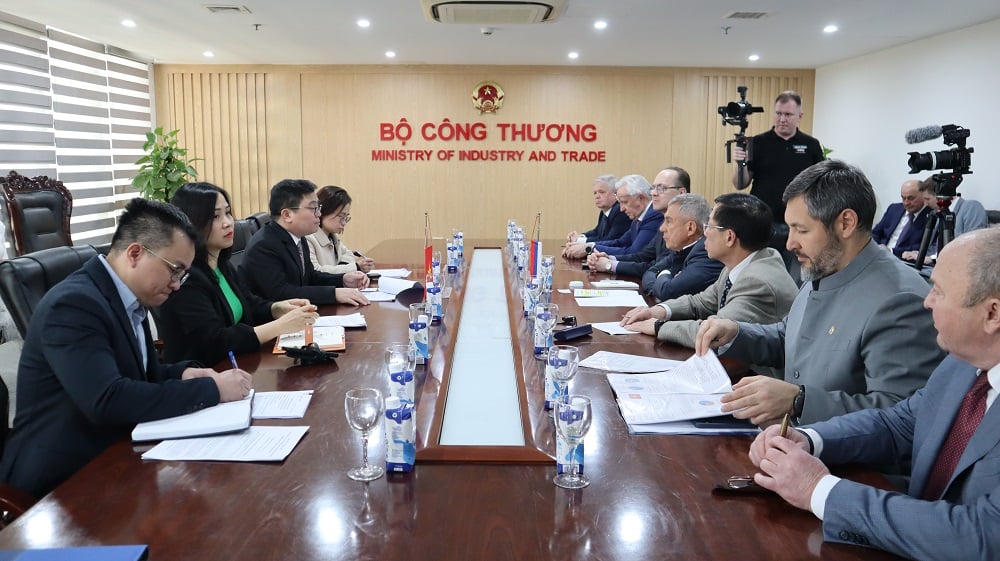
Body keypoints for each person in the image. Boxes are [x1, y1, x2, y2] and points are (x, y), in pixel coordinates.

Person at [747, 227, 1000, 559]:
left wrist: (818, 489)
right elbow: (899, 424)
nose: (927, 301)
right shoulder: (962, 363)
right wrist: (809, 439)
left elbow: (981, 535)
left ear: (992, 314)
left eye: (938, 291)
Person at [0, 198, 253, 498]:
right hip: (61, 480)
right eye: (175, 270)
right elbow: (108, 398)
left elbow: (138, 373)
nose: (177, 284)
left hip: (114, 454)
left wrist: (183, 373)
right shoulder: (73, 304)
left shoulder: (127, 297)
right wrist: (214, 390)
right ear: (135, 253)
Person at [696, 160, 943, 426]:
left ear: (845, 223)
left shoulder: (899, 300)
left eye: (801, 230)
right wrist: (737, 332)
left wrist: (800, 401)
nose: (790, 243)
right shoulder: (825, 265)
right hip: (794, 443)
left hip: (845, 462)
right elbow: (790, 337)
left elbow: (900, 415)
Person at [157, 182, 319, 366]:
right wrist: (279, 326)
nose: (228, 223)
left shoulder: (223, 266)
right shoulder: (185, 279)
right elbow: (215, 341)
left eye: (228, 213)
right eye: (215, 216)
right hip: (205, 375)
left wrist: (276, 308)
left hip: (238, 365)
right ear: (191, 223)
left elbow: (248, 303)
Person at [621, 193, 797, 352]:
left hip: (755, 376)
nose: (704, 233)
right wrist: (657, 311)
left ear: (729, 237)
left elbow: (713, 332)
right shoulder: (740, 262)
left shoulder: (757, 281)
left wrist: (657, 326)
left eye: (709, 226)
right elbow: (701, 302)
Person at [240, 179, 370, 306]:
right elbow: (280, 293)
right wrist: (333, 294)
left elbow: (310, 276)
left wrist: (343, 280)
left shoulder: (298, 237)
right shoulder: (264, 245)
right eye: (313, 208)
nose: (319, 214)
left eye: (318, 207)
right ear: (287, 215)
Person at [732, 90, 824, 228]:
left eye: (788, 114)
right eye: (778, 113)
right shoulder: (757, 142)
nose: (782, 119)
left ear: (800, 116)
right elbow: (740, 184)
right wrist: (740, 164)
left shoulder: (811, 145)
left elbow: (821, 183)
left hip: (798, 221)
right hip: (762, 219)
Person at [586, 167, 689, 277]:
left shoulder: (663, 218)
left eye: (661, 188)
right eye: (653, 188)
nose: (653, 193)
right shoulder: (660, 219)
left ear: (681, 193)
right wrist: (609, 258)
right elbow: (642, 255)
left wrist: (609, 265)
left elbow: (656, 266)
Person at [640, 194, 722, 302]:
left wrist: (664, 273)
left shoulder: (705, 252)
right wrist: (660, 285)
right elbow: (650, 272)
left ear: (690, 228)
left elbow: (668, 291)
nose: (661, 228)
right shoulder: (681, 248)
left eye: (668, 221)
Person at [562, 175, 662, 259]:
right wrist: (587, 246)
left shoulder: (653, 216)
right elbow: (620, 242)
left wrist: (588, 249)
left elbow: (634, 253)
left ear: (640, 198)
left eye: (624, 202)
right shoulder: (638, 217)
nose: (621, 209)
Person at [901, 176, 989, 263]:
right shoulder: (939, 214)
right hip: (931, 267)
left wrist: (932, 259)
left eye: (928, 199)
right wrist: (920, 255)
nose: (926, 204)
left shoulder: (971, 207)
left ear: (940, 196)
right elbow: (934, 247)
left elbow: (974, 248)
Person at [870, 179, 931, 258]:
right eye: (903, 198)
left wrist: (891, 251)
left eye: (911, 198)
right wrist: (875, 248)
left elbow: (920, 248)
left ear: (923, 195)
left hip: (904, 261)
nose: (906, 203)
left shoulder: (931, 217)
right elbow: (875, 233)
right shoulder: (894, 209)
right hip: (879, 254)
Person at [565, 174, 630, 244]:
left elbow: (610, 240)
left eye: (601, 192)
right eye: (595, 193)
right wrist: (580, 236)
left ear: (615, 193)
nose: (597, 196)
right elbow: (596, 232)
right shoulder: (605, 211)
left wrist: (578, 241)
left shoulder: (620, 211)